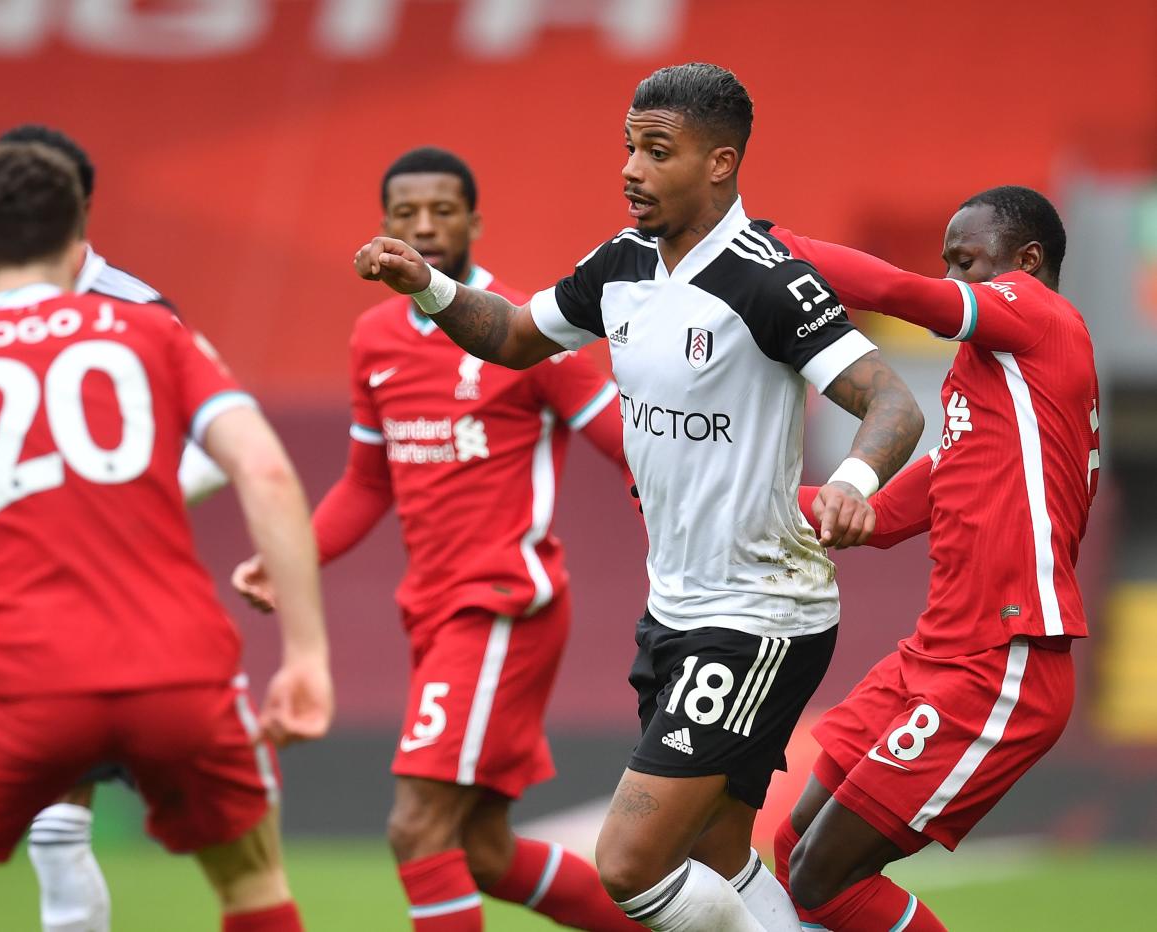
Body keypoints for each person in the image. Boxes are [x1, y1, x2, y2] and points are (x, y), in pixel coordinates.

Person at [352, 65, 925, 931]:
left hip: (759, 611)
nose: (631, 168)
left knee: (629, 863)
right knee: (718, 859)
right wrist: (428, 288)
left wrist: (851, 483)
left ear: (720, 163)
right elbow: (512, 335)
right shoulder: (619, 266)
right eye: (629, 147)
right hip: (677, 610)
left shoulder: (768, 281)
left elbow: (893, 401)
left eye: (658, 151)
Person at [0, 141, 332, 932]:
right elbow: (267, 473)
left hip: (21, 677)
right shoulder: (151, 332)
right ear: (79, 249)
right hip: (178, 671)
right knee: (255, 889)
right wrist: (307, 656)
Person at [234, 146, 640, 932]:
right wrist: (292, 561)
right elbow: (365, 484)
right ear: (383, 225)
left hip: (502, 607)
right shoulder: (375, 339)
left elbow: (629, 441)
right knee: (482, 849)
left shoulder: (525, 331)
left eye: (443, 211)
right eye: (406, 213)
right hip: (433, 612)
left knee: (415, 830)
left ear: (475, 222)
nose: (424, 226)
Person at [762, 186, 1099, 931]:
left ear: (1026, 262)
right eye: (946, 262)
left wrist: (771, 246)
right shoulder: (992, 391)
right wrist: (736, 504)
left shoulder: (1045, 320)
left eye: (967, 263)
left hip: (1004, 661)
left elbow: (901, 294)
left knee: (824, 877)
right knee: (792, 852)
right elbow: (879, 517)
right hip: (933, 656)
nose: (952, 280)